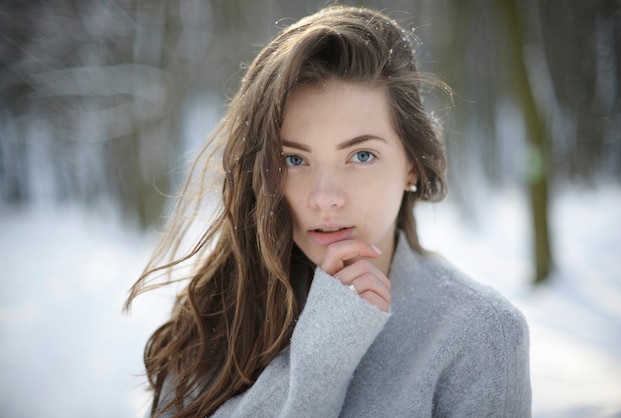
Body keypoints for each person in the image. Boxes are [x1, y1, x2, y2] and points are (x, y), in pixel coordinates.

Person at [125, 4, 531, 417]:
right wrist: (317, 367)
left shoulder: (480, 333)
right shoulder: (219, 311)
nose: (324, 198)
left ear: (412, 163)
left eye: (361, 155)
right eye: (294, 160)